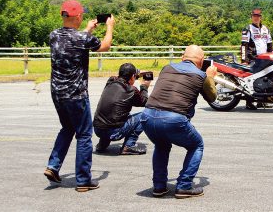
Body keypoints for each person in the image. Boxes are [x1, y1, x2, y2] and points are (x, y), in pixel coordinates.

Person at [44, 0, 115, 192]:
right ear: (79, 16)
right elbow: (105, 46)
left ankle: (53, 166)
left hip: (57, 93)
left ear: (63, 15)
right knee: (84, 134)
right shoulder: (82, 38)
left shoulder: (54, 35)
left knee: (67, 128)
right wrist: (109, 27)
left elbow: (74, 41)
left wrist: (87, 29)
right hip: (76, 94)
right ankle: (83, 180)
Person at [140, 45, 217, 199]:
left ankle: (159, 186)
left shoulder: (166, 68)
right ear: (201, 61)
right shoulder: (201, 75)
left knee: (161, 145)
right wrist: (210, 77)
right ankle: (184, 186)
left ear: (183, 57)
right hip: (173, 119)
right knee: (196, 145)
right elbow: (212, 97)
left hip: (147, 116)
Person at [93, 63, 150, 155]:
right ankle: (129, 146)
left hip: (97, 129)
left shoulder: (110, 81)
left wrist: (134, 74)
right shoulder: (131, 90)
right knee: (145, 115)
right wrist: (144, 87)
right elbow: (145, 102)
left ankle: (102, 144)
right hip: (115, 132)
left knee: (111, 114)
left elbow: (120, 77)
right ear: (132, 76)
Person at [240, 8, 273, 110]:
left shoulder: (265, 29)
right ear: (251, 17)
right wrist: (244, 60)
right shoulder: (247, 29)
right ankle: (249, 102)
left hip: (265, 59)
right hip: (252, 58)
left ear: (260, 17)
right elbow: (243, 45)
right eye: (254, 16)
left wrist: (271, 57)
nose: (256, 18)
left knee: (264, 80)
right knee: (251, 80)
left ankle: (261, 102)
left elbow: (270, 44)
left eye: (258, 16)